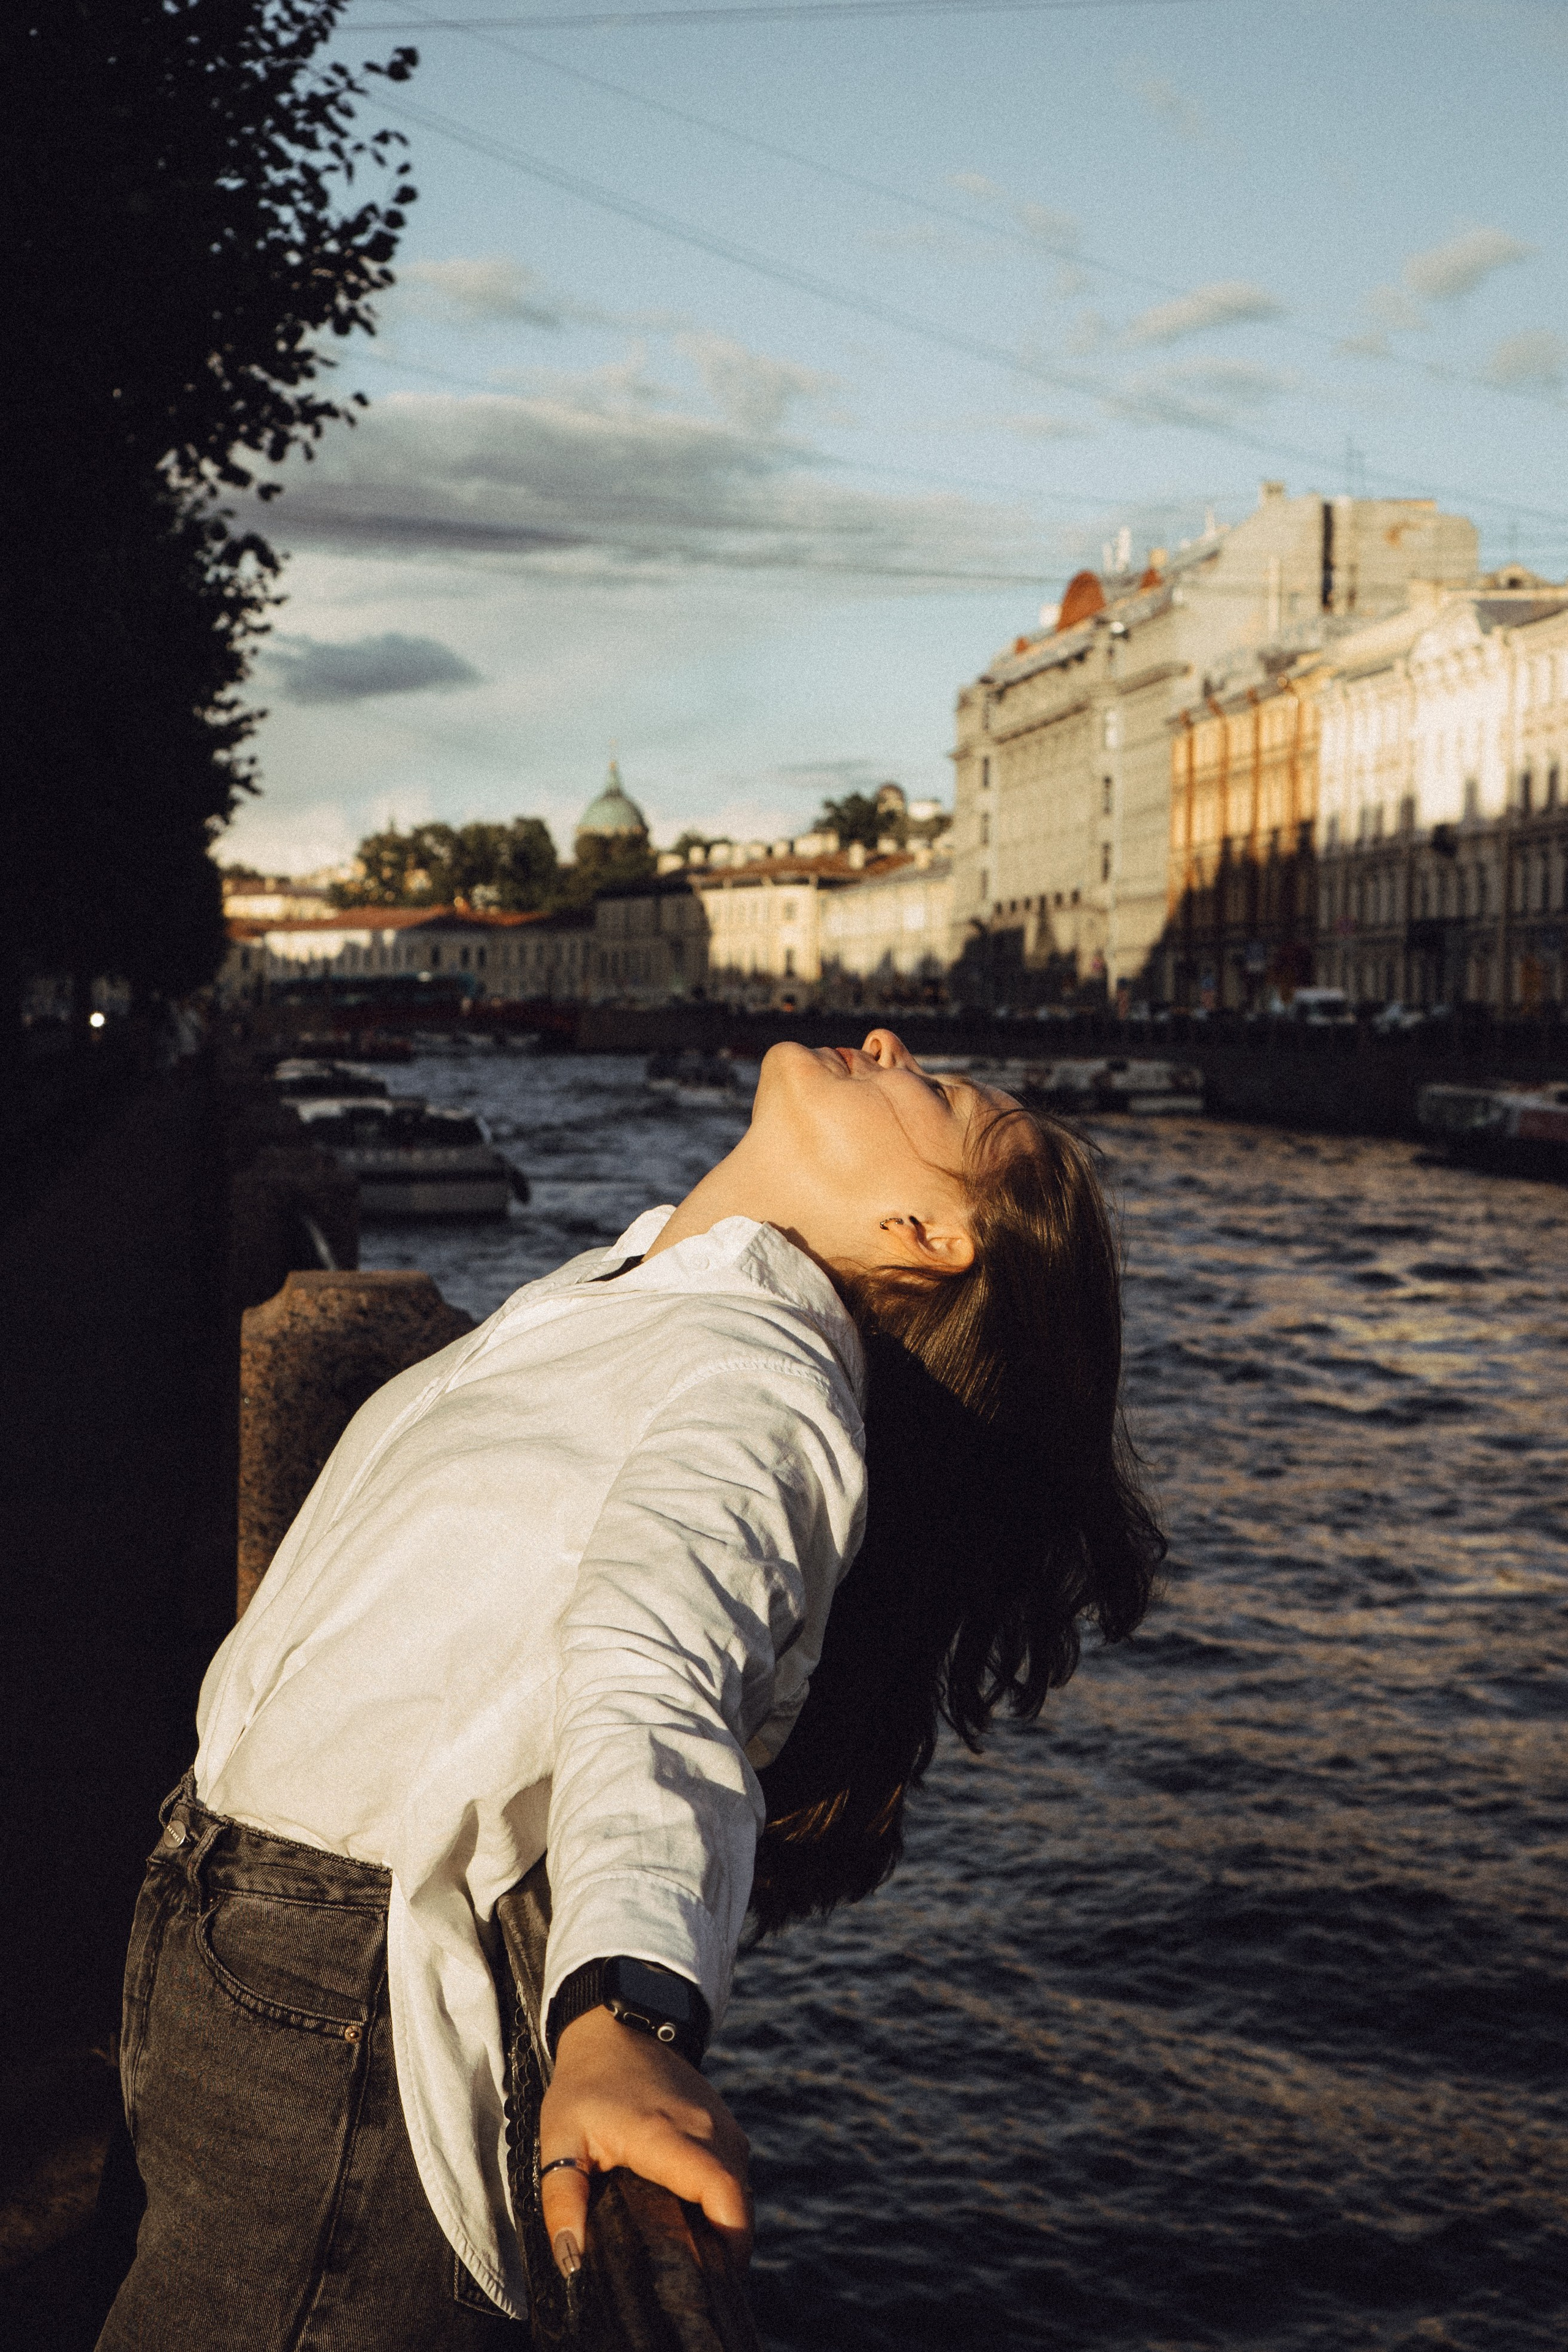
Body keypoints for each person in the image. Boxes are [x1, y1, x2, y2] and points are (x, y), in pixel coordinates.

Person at [98, 1030, 1163, 2350]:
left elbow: (658, 1672)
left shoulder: (762, 1387)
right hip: (229, 1917)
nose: (889, 1042)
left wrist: (625, 2012)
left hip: (340, 1990)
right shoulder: (633, 1290)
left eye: (935, 1092)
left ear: (924, 1232)